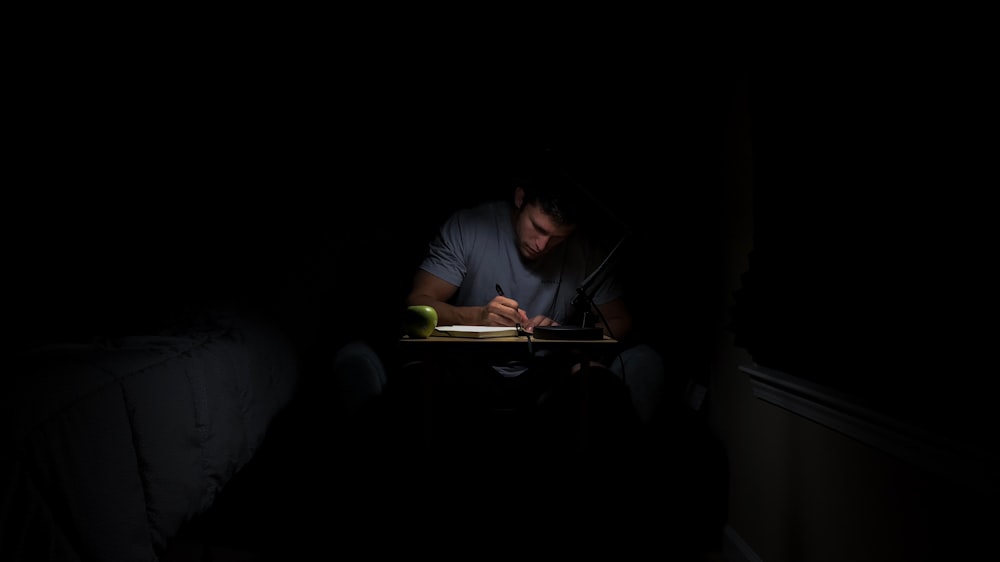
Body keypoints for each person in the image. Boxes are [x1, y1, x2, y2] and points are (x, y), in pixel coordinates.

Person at [395, 155, 666, 457]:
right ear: (520, 198)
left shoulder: (585, 248)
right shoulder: (470, 226)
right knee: (415, 382)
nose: (541, 245)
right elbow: (416, 303)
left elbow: (620, 319)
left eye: (556, 238)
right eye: (537, 228)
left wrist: (564, 333)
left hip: (547, 373)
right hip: (470, 366)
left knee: (600, 386)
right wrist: (478, 316)